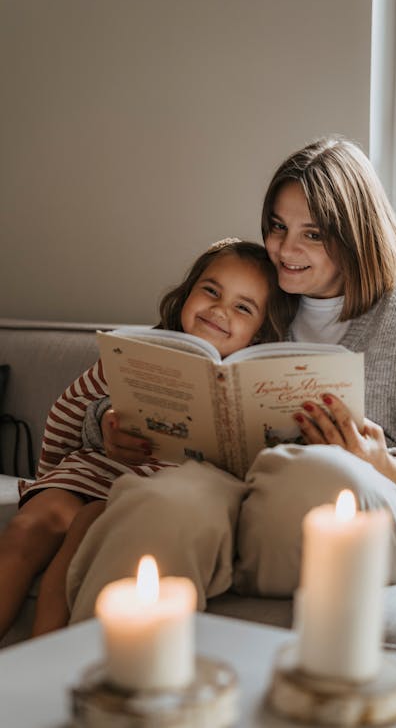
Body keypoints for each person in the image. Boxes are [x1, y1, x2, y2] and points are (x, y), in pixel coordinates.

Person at [67, 136, 396, 622]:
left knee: (308, 473)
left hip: (377, 511)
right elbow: (167, 372)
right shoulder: (257, 300)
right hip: (246, 507)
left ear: (356, 233)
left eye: (313, 234)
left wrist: (392, 467)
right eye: (277, 226)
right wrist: (110, 424)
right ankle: (104, 680)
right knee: (163, 500)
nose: (286, 249)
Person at [0, 239, 297, 639]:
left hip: (143, 494)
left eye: (243, 307)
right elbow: (69, 407)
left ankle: (40, 662)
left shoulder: (253, 390)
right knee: (27, 529)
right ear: (187, 292)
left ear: (261, 333)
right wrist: (87, 436)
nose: (219, 310)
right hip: (87, 474)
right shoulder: (136, 351)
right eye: (211, 290)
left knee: (81, 544)